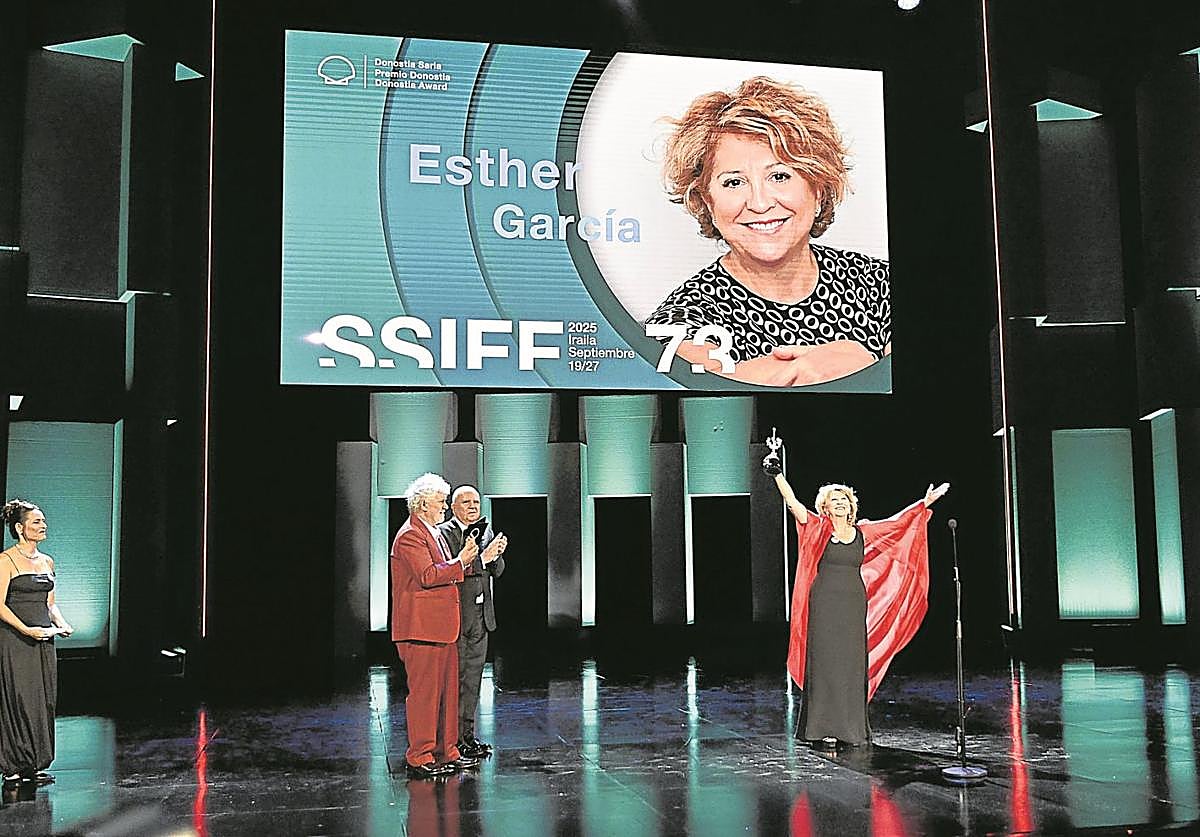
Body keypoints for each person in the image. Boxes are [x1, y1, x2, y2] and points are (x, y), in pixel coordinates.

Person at [646, 76, 890, 387]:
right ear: (706, 201)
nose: (760, 203)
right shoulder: (680, 318)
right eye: (734, 182)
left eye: (779, 176)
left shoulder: (878, 283)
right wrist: (860, 362)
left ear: (818, 189)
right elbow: (703, 381)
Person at [763, 438, 946, 746]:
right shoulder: (817, 528)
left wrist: (924, 504)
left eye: (844, 499)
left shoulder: (863, 531)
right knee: (824, 661)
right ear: (825, 506)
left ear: (851, 505)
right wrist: (777, 474)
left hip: (852, 601)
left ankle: (850, 728)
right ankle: (821, 728)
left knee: (849, 662)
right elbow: (793, 504)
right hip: (824, 601)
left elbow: (897, 525)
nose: (840, 503)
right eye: (834, 500)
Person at [390, 473, 497, 780]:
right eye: (440, 502)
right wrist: (462, 561)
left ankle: (446, 750)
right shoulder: (411, 535)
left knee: (447, 694)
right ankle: (420, 755)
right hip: (421, 629)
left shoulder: (432, 532)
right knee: (425, 696)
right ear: (423, 504)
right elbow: (427, 574)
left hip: (441, 628)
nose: (444, 509)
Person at [0, 499, 73, 786]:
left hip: (43, 638)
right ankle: (13, 766)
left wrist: (61, 623)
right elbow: (0, 605)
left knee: (42, 698)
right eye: (36, 522)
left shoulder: (47, 561)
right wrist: (26, 630)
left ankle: (34, 762)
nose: (43, 526)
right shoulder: (5, 561)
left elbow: (50, 603)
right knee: (18, 698)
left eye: (43, 521)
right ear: (20, 528)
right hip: (15, 638)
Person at [437, 485, 507, 760]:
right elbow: (452, 571)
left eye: (476, 501)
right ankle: (451, 740)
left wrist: (496, 554)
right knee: (458, 680)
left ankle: (467, 736)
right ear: (454, 507)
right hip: (458, 617)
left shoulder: (485, 531)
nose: (473, 506)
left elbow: (498, 571)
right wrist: (483, 558)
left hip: (481, 617)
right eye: (466, 502)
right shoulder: (444, 534)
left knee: (475, 680)